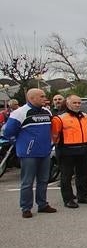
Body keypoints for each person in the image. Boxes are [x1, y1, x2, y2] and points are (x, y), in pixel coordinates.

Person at [3, 89, 57, 218]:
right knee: (27, 182)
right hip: (28, 154)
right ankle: (26, 207)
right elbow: (8, 133)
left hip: (45, 152)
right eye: (42, 96)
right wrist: (21, 144)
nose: (45, 98)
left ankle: (42, 204)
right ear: (32, 98)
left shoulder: (47, 111)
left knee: (44, 180)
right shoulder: (19, 113)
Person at [51, 95, 87, 208]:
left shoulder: (86, 117)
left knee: (83, 175)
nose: (77, 105)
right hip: (66, 151)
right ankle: (68, 199)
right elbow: (54, 136)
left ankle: (82, 196)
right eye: (74, 103)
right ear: (67, 104)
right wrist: (59, 148)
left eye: (79, 103)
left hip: (82, 150)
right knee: (66, 177)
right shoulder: (60, 118)